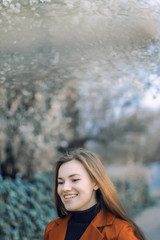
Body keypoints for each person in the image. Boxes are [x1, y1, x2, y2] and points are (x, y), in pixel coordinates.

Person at [43, 148, 146, 240]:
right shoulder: (52, 229)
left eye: (74, 180)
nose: (65, 188)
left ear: (95, 183)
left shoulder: (120, 232)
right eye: (61, 182)